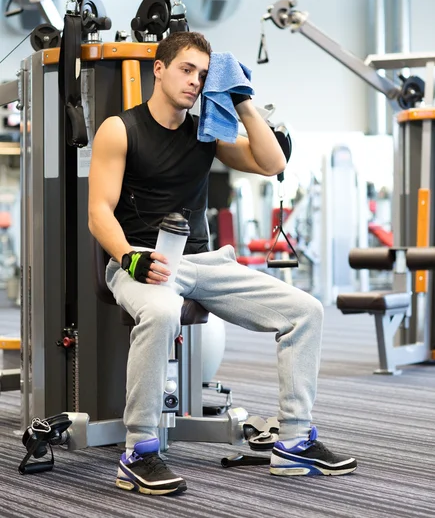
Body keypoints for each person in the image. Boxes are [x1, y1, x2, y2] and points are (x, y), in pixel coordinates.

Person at [88, 31, 357, 496]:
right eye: (186, 70)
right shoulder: (120, 128)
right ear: (159, 68)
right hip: (143, 260)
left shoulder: (207, 132)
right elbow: (98, 212)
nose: (195, 82)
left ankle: (294, 441)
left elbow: (271, 162)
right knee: (161, 311)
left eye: (204, 75)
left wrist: (243, 100)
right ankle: (140, 450)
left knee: (305, 311)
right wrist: (130, 258)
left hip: (205, 261)